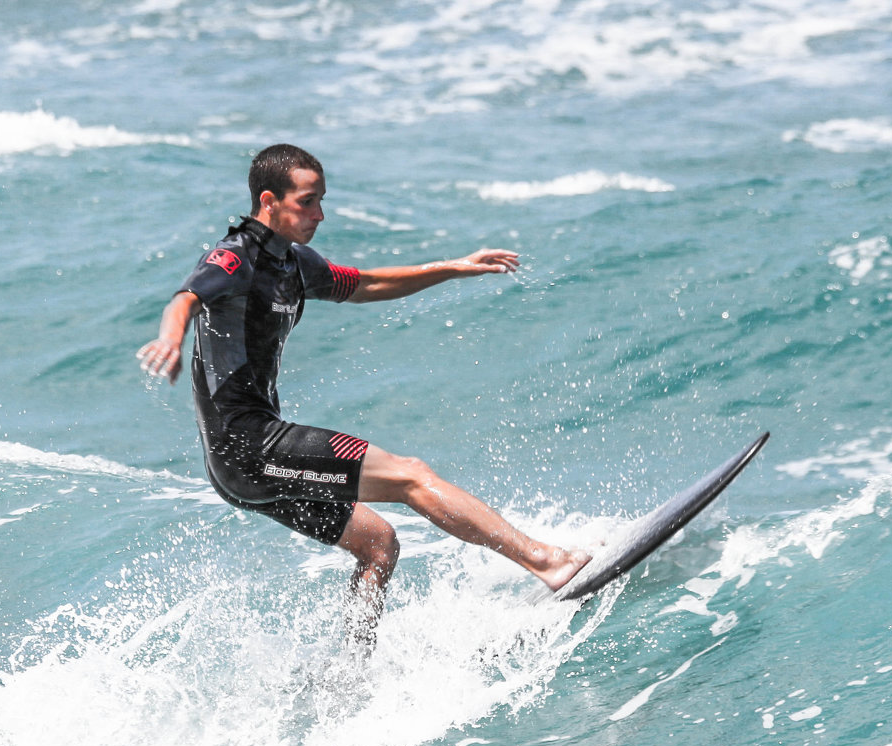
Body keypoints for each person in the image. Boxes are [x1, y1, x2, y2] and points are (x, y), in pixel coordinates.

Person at [137, 144, 588, 653]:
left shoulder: (293, 263)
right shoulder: (235, 257)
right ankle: (546, 562)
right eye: (308, 202)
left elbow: (367, 283)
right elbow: (187, 298)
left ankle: (349, 676)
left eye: (321, 200)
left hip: (246, 462)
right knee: (411, 476)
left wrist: (456, 267)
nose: (319, 214)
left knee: (377, 544)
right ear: (269, 200)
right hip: (251, 446)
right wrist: (171, 338)